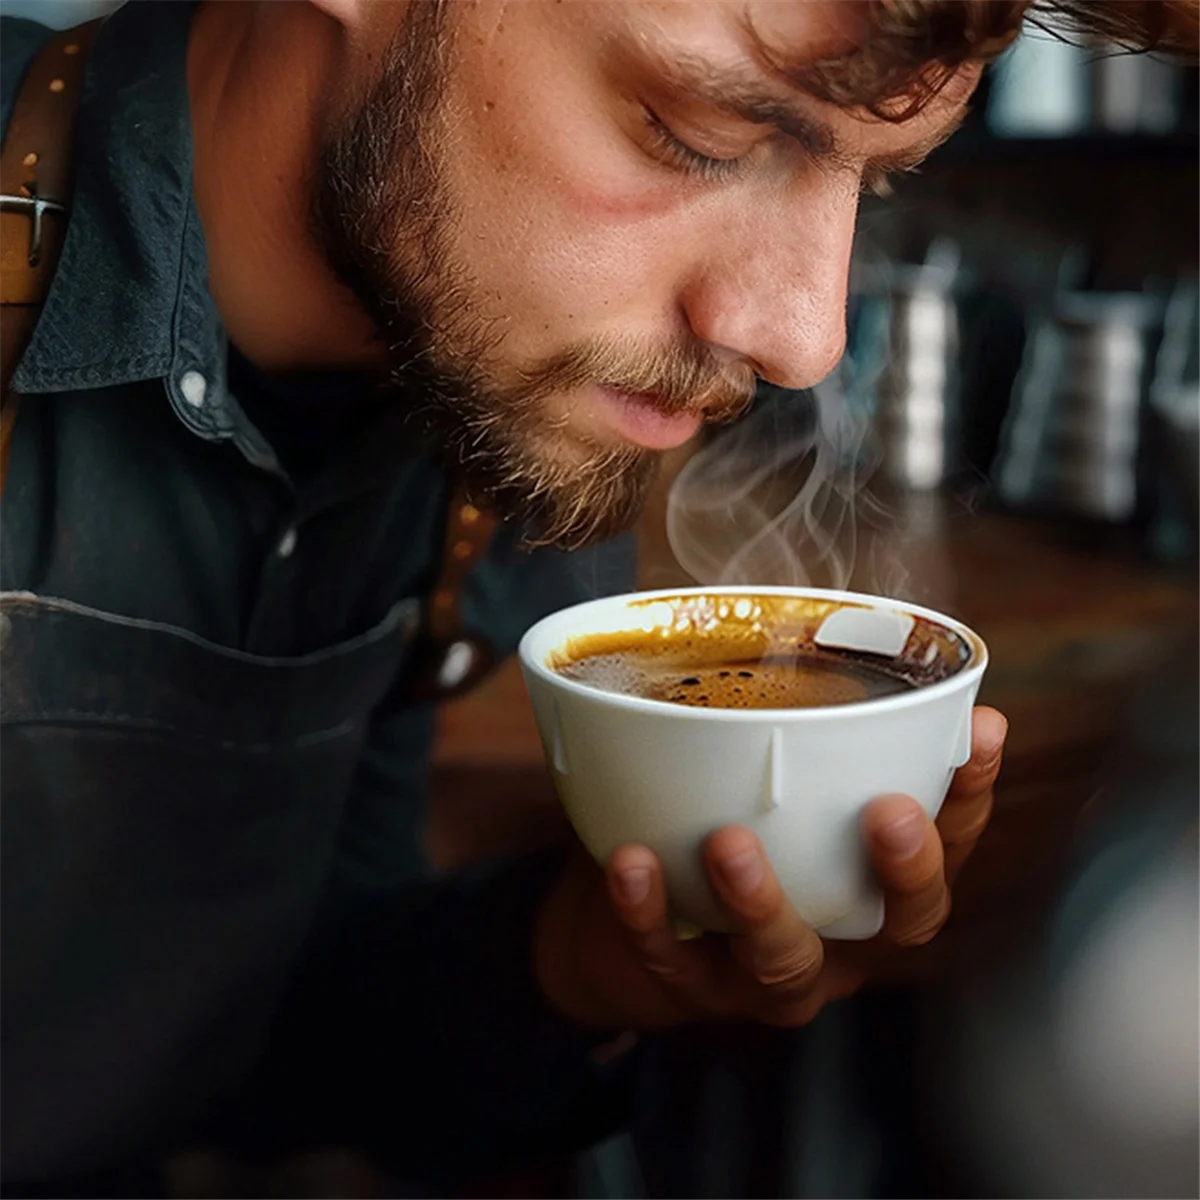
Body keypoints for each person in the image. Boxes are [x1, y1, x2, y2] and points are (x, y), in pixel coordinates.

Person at [0, 0, 1185, 1193]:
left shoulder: (487, 407)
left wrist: (567, 963)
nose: (803, 337)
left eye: (873, 187)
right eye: (701, 137)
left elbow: (256, 1033)